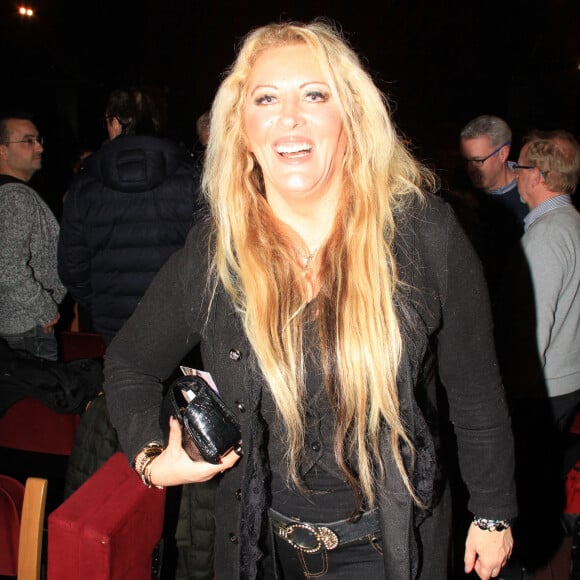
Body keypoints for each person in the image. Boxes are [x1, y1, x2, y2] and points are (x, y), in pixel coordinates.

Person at [104, 21, 516, 580]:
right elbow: (129, 362)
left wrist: (493, 513)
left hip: (391, 548)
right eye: (267, 98)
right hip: (261, 549)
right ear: (242, 128)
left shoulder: (424, 233)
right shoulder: (216, 250)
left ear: (350, 116)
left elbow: (475, 391)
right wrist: (153, 459)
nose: (289, 116)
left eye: (314, 95)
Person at [58, 87, 203, 346]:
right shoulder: (191, 177)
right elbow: (211, 252)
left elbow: (72, 265)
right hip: (179, 318)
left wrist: (102, 302)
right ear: (156, 120)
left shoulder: (84, 184)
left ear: (114, 122)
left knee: (125, 383)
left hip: (114, 322)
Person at [498, 130, 580, 571]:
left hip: (544, 388)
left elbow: (533, 334)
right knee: (545, 476)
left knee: (529, 483)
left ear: (540, 176)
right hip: (567, 381)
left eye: (520, 168)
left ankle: (524, 560)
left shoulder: (546, 238)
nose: (514, 177)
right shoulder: (572, 224)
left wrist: (510, 397)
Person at [0, 114, 66, 361]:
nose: (39, 147)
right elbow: (7, 268)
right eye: (28, 141)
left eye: (38, 139)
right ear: (3, 151)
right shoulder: (14, 197)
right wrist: (45, 310)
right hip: (26, 327)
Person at [458, 115, 529, 301]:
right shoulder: (460, 197)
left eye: (478, 160)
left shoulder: (531, 195)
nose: (471, 169)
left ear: (503, 154)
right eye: (466, 161)